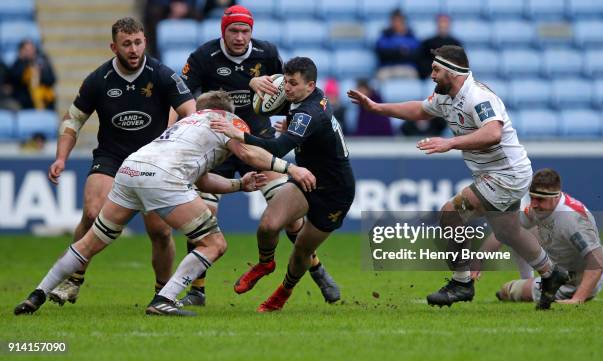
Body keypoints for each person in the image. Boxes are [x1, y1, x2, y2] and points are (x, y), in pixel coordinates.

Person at [14, 91, 316, 317]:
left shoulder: (186, 123)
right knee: (214, 243)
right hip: (163, 177)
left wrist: (239, 185)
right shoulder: (225, 120)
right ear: (225, 111)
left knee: (92, 241)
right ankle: (165, 299)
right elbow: (250, 155)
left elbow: (201, 180)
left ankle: (38, 291)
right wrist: (290, 168)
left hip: (131, 168)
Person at [348, 45, 569, 310]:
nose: (431, 75)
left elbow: (493, 134)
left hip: (506, 175)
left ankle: (461, 283)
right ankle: (551, 273)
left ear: (452, 71)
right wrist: (376, 107)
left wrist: (450, 144)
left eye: (435, 69)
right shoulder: (446, 95)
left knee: (450, 213)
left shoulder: (478, 97)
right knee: (508, 232)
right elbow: (419, 109)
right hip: (499, 173)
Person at [178, 4, 340, 306]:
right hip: (218, 144)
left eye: (245, 31)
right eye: (233, 30)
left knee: (289, 218)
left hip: (260, 142)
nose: (240, 37)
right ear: (222, 31)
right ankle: (197, 290)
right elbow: (184, 98)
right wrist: (246, 84)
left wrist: (290, 121)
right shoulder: (203, 57)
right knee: (204, 214)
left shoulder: (266, 53)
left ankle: (317, 270)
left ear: (252, 32)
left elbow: (286, 93)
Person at [46, 17, 196, 306]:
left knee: (160, 230)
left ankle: (163, 293)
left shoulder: (163, 75)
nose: (133, 49)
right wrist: (61, 158)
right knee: (91, 214)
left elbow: (190, 112)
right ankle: (73, 280)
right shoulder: (98, 80)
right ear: (113, 46)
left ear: (145, 42)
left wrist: (176, 150)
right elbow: (73, 120)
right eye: (126, 44)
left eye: (138, 42)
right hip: (112, 157)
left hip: (153, 160)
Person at [210, 57, 355, 312]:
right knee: (268, 226)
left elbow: (278, 147)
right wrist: (253, 81)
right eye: (285, 81)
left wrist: (238, 134)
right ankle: (266, 264)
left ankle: (283, 293)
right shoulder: (302, 98)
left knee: (302, 249)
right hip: (306, 179)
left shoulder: (310, 113)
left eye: (293, 84)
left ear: (310, 86)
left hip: (335, 191)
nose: (286, 88)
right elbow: (263, 107)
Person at [473, 169, 603, 305]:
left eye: (540, 199)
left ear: (556, 197)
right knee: (516, 234)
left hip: (581, 282)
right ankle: (529, 281)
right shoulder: (536, 209)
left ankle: (543, 288)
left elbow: (599, 260)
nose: (534, 204)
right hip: (557, 274)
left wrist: (578, 299)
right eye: (532, 198)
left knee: (508, 290)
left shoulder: (573, 220)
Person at [8, 39, 56, 110]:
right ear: (21, 51)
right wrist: (24, 62)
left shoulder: (42, 61)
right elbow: (14, 78)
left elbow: (52, 79)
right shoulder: (18, 63)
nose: (30, 52)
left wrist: (40, 74)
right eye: (27, 50)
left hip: (43, 101)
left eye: (32, 49)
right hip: (24, 102)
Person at [374, 8, 420, 81]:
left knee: (413, 75)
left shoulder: (411, 35)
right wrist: (400, 51)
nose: (397, 23)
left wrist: (395, 52)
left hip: (406, 68)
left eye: (399, 21)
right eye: (394, 21)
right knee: (380, 76)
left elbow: (416, 53)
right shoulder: (385, 35)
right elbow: (381, 52)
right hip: (388, 68)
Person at [417, 14, 462, 80]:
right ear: (437, 24)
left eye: (445, 22)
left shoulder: (456, 43)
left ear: (449, 24)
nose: (443, 25)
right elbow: (422, 61)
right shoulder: (427, 43)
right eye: (441, 22)